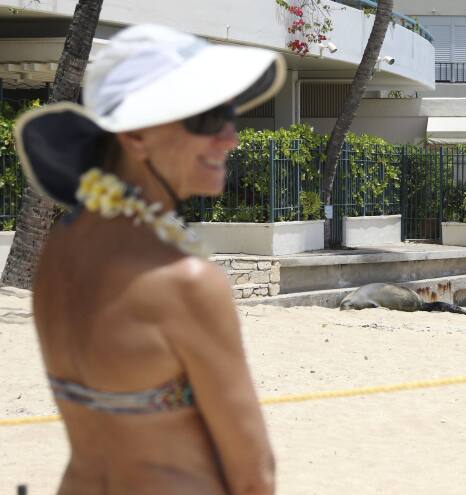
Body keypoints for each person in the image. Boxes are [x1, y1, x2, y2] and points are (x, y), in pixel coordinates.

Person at [15, 24, 285, 494]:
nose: (230, 138)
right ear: (137, 135)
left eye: (228, 115)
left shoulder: (61, 247)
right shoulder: (185, 283)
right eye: (205, 119)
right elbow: (252, 477)